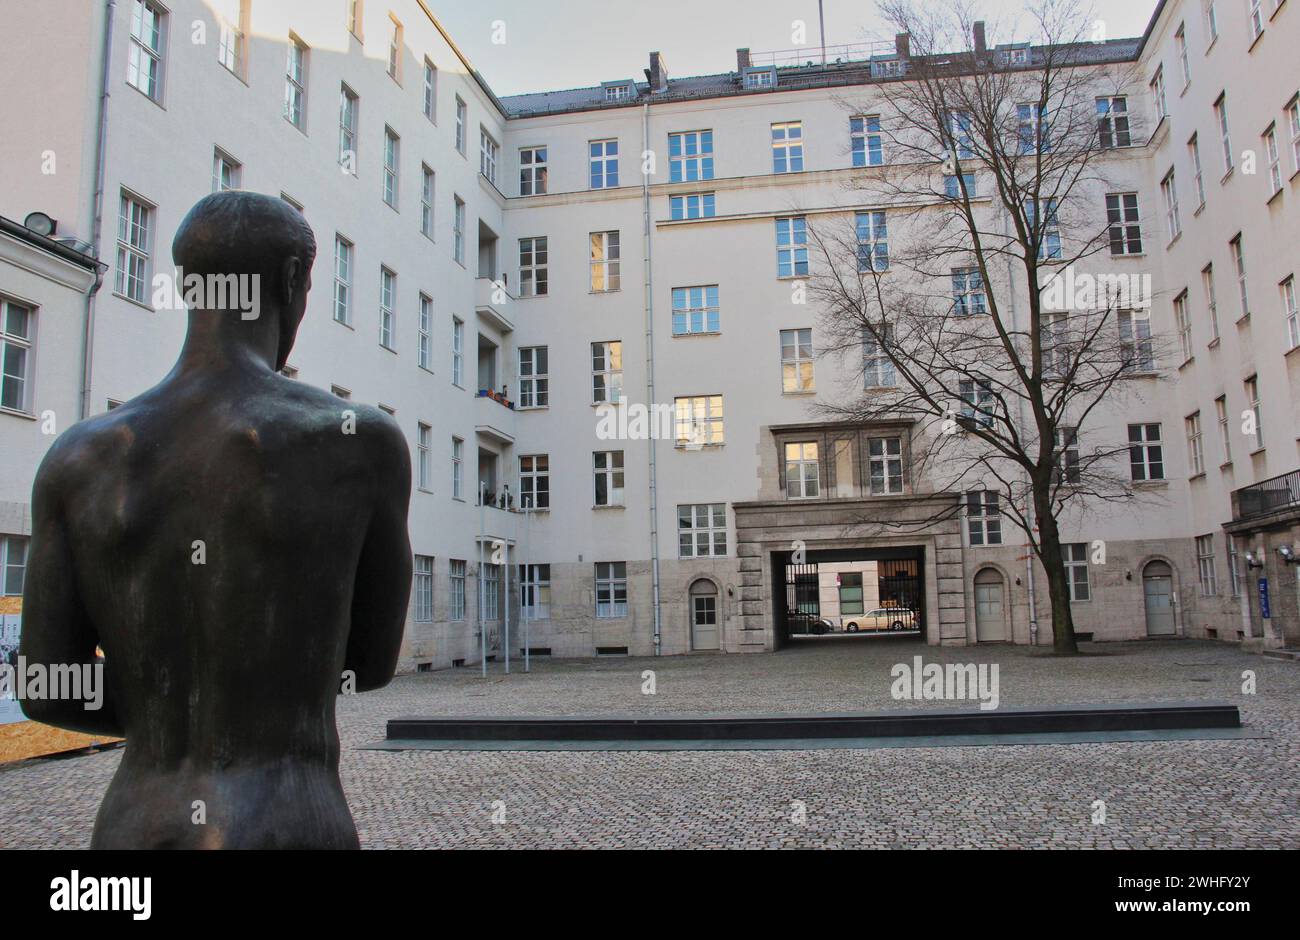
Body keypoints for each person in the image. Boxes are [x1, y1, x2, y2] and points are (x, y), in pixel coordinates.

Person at [19, 191, 412, 848]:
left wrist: (161, 708)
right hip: (289, 821)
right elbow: (368, 663)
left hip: (134, 826)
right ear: (292, 280)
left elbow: (46, 686)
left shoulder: (80, 456)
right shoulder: (358, 441)